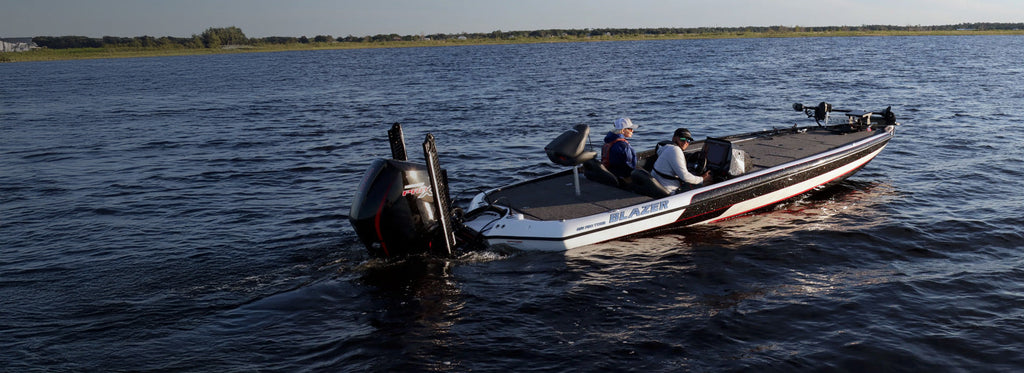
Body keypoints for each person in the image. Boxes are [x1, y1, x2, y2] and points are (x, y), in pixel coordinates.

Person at [652, 128, 711, 193]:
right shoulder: (675, 150)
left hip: (658, 185)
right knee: (706, 184)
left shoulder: (666, 147)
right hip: (669, 191)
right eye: (682, 139)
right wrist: (702, 179)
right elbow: (685, 177)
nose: (685, 142)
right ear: (674, 138)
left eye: (688, 140)